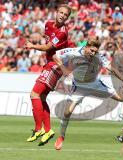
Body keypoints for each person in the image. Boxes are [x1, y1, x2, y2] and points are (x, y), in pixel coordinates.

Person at [53, 38, 123, 150]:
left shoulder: (98, 57)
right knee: (67, 113)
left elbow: (112, 69)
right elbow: (55, 55)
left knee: (121, 99)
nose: (93, 53)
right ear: (86, 47)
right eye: (91, 50)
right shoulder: (73, 52)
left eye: (95, 51)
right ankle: (61, 136)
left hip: (96, 84)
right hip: (79, 87)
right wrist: (64, 69)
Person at [25, 4, 71, 146]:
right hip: (49, 64)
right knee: (42, 97)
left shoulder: (63, 32)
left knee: (34, 94)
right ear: (56, 12)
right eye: (61, 12)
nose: (62, 15)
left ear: (67, 18)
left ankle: (39, 129)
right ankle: (48, 130)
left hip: (55, 65)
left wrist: (32, 46)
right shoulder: (48, 24)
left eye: (65, 14)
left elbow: (47, 47)